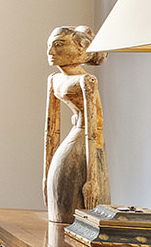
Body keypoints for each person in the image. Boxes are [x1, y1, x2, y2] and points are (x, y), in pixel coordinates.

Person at [44, 25, 110, 223]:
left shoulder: (86, 80)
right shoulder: (54, 80)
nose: (50, 52)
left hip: (86, 145)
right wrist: (46, 175)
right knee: (61, 216)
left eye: (59, 45)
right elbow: (51, 130)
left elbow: (93, 130)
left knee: (79, 220)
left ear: (81, 49)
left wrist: (92, 181)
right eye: (49, 45)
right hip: (73, 144)